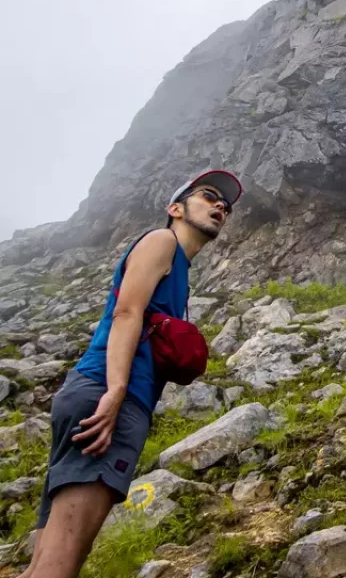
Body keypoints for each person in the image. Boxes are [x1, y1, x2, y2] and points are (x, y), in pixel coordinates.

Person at [21, 170, 242, 578]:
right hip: (109, 396)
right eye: (209, 196)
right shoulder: (162, 241)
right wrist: (117, 391)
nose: (220, 207)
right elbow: (127, 312)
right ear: (175, 209)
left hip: (101, 395)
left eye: (225, 206)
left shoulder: (179, 269)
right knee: (62, 560)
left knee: (50, 557)